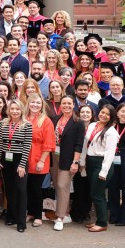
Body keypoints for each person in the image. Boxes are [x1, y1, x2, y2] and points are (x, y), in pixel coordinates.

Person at [79, 104, 119, 233]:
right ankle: (99, 220)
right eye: (102, 112)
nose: (104, 115)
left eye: (107, 114)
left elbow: (110, 153)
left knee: (97, 194)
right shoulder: (92, 125)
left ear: (111, 117)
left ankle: (102, 223)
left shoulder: (111, 132)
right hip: (90, 161)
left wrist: (104, 172)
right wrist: (82, 161)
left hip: (102, 163)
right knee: (97, 193)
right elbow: (85, 144)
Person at [0, 100, 31, 232]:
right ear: (8, 110)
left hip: (20, 159)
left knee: (21, 190)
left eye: (17, 109)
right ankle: (11, 217)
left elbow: (27, 146)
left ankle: (21, 222)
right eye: (12, 109)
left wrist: (22, 165)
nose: (15, 111)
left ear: (22, 110)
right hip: (6, 158)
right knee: (9, 189)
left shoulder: (27, 125)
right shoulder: (3, 123)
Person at [51, 95, 85, 231]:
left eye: (69, 103)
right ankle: (65, 213)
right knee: (57, 186)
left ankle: (60, 218)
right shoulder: (55, 119)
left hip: (68, 158)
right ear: (60, 105)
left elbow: (79, 145)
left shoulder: (78, 122)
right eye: (64, 103)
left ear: (73, 105)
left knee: (62, 185)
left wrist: (75, 162)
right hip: (54, 156)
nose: (66, 106)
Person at [24, 95, 55, 227]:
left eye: (38, 103)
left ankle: (38, 215)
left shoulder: (46, 121)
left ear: (42, 105)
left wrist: (41, 161)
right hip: (25, 158)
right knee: (27, 187)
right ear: (28, 103)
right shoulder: (23, 118)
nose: (35, 105)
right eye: (33, 102)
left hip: (39, 158)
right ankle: (30, 212)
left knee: (36, 188)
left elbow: (49, 143)